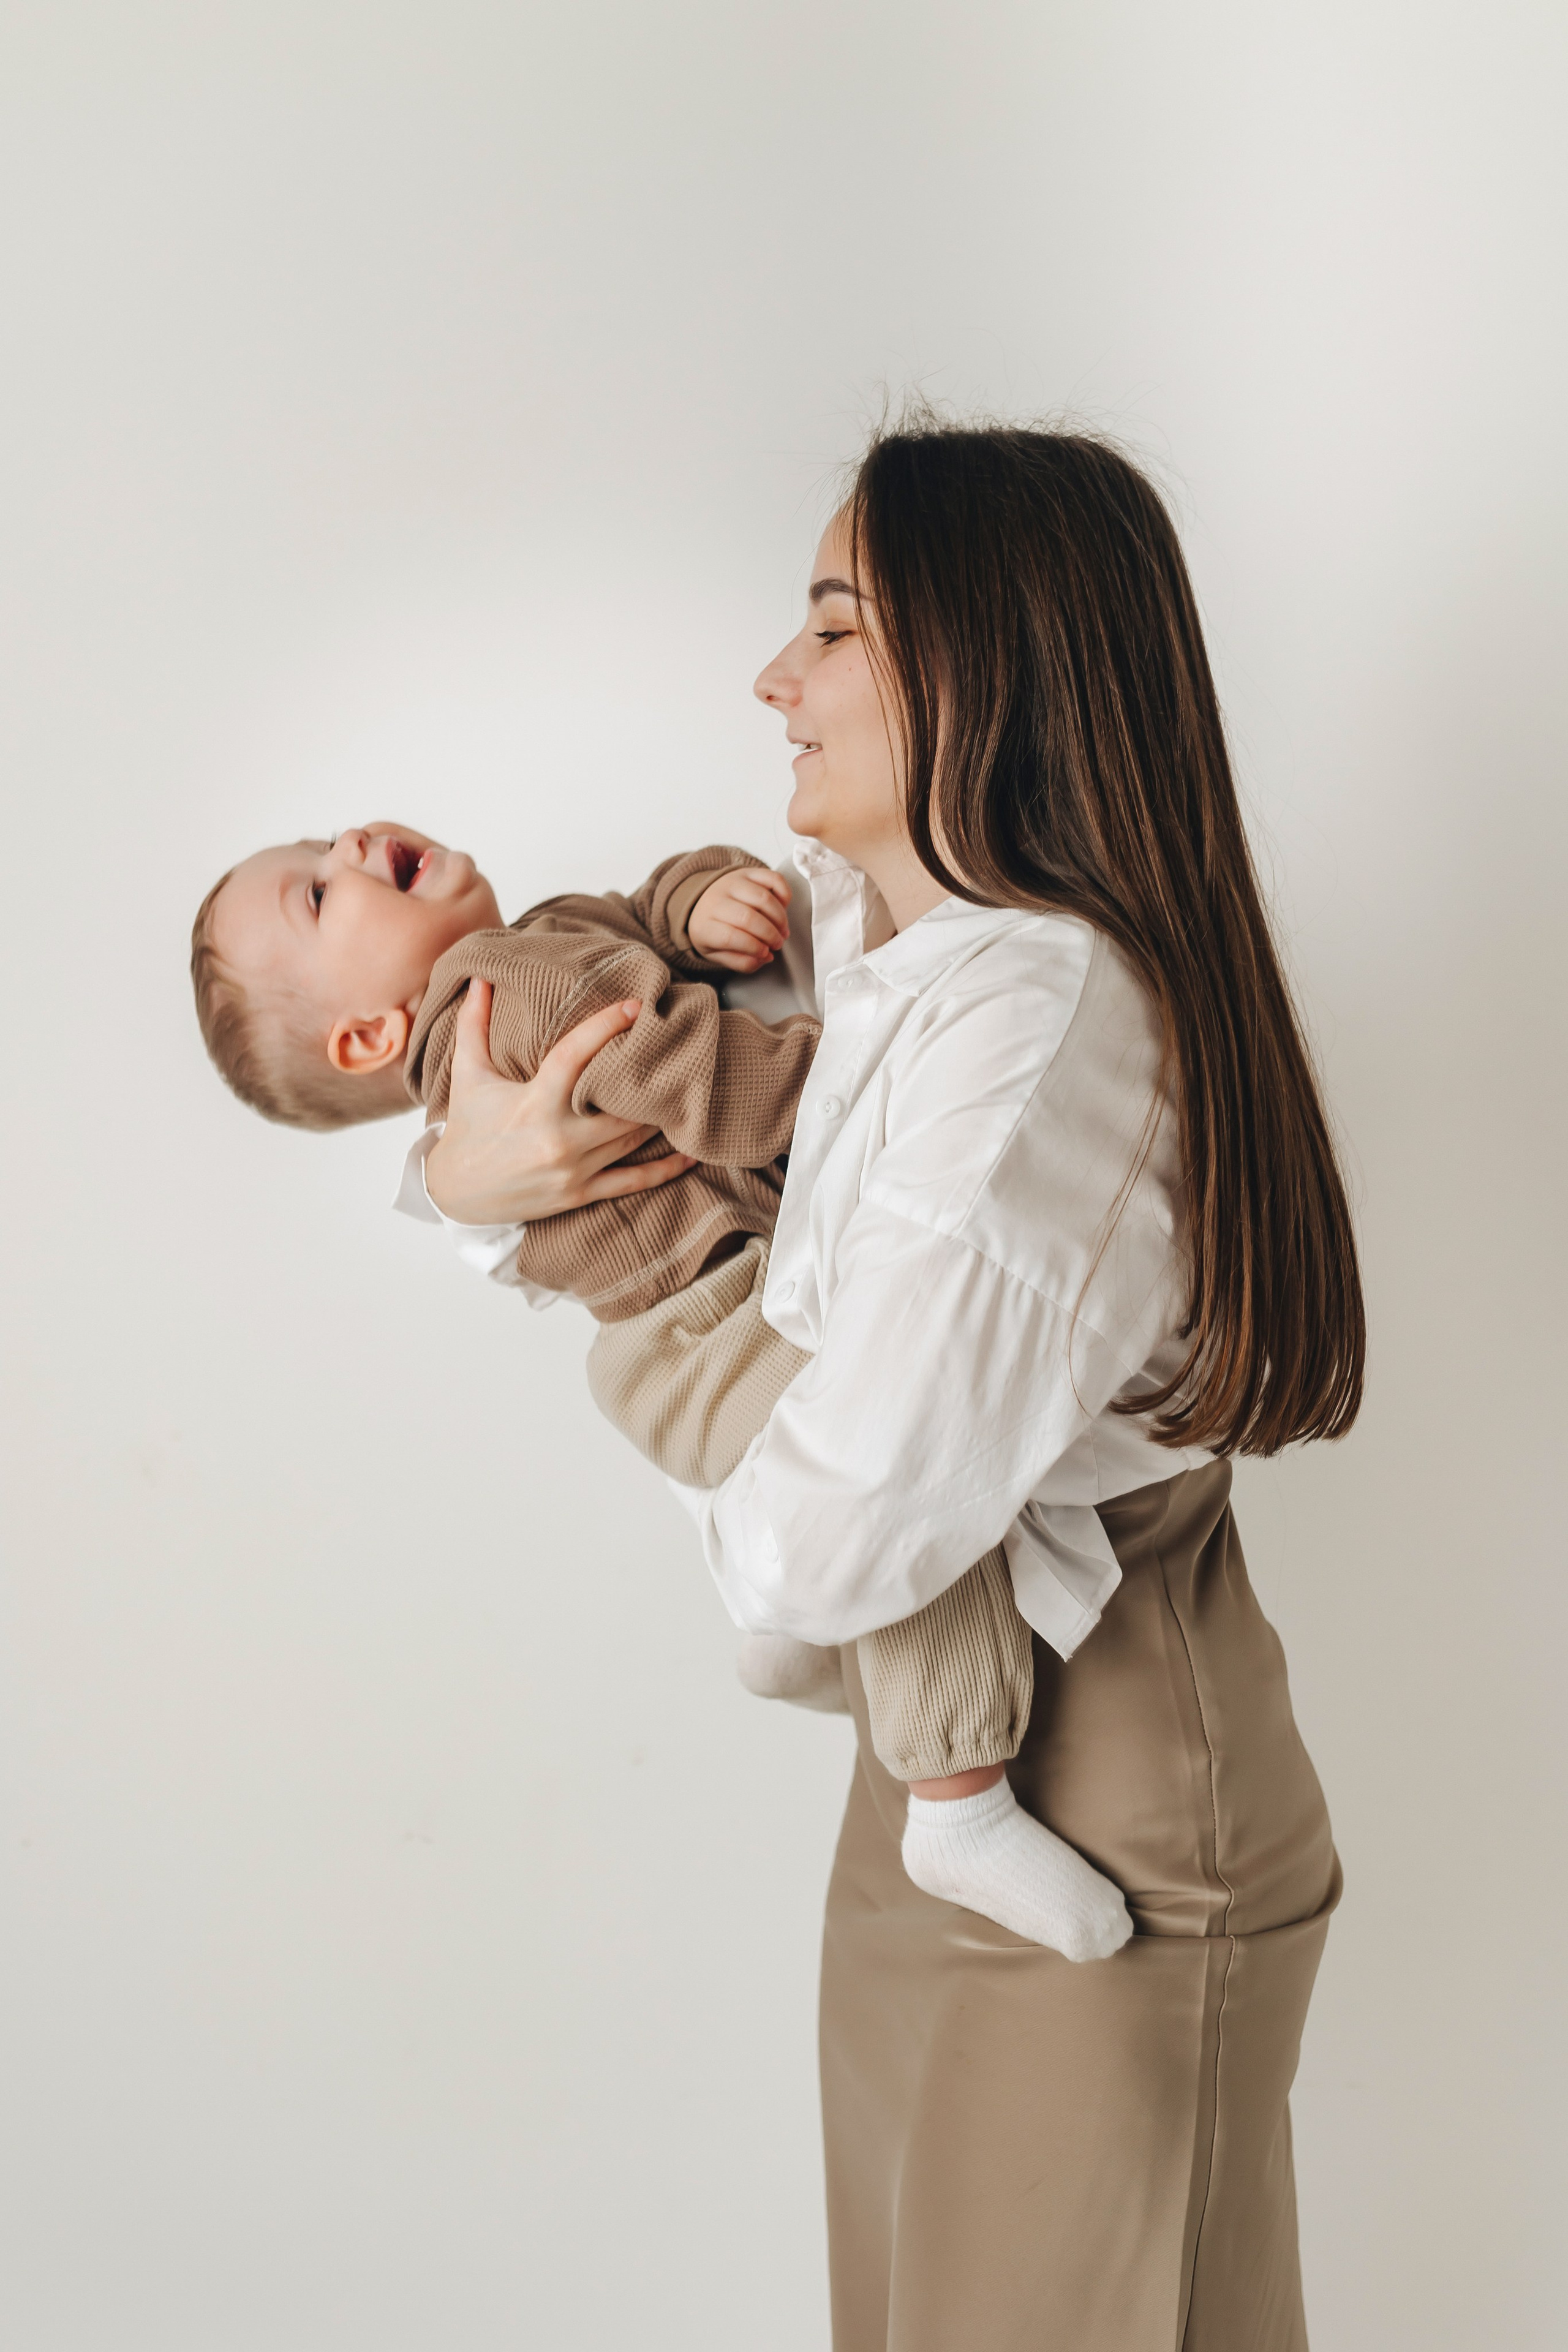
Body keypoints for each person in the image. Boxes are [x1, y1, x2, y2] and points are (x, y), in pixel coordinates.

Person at [421, 418, 1364, 2350]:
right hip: (952, 1770)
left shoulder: (1033, 1029)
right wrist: (461, 1183)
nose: (776, 678)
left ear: (988, 657)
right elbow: (536, 1061)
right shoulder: (889, 957)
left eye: (833, 625)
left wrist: (630, 1321)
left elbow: (812, 1564)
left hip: (1096, 1783)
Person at [189, 826, 1134, 1959]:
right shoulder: (504, 989)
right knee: (909, 1475)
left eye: (318, 841)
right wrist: (866, 1076)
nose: (345, 844)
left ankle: (800, 1635)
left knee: (873, 1473)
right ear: (371, 1035)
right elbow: (700, 1073)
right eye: (315, 890)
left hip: (689, 1334)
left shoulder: (532, 941)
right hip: (714, 1328)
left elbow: (637, 920)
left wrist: (695, 907)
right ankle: (958, 1801)